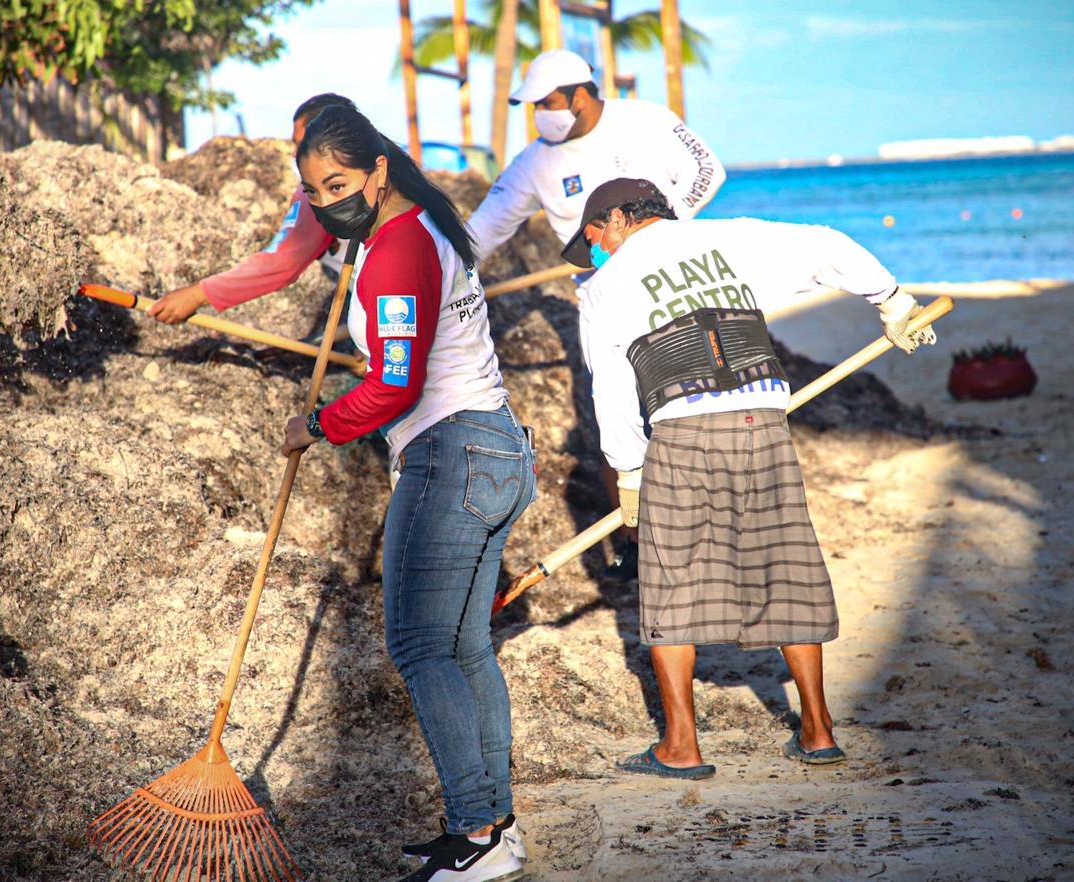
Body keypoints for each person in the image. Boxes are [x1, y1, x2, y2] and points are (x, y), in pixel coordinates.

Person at [561, 178, 935, 778]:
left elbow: (612, 392)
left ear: (619, 218)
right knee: (785, 564)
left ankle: (681, 746)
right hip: (764, 423)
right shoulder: (732, 238)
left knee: (671, 581)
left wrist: (629, 471)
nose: (594, 250)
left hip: (681, 431)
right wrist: (892, 301)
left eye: (593, 236)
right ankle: (817, 730)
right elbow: (830, 245)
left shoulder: (602, 289)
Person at [280, 106, 535, 882]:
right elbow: (409, 357)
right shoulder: (424, 226)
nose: (327, 202)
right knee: (464, 649)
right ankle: (493, 828)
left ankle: (479, 833)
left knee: (421, 647)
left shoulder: (394, 253)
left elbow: (398, 384)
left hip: (449, 457)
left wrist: (318, 425)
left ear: (378, 171)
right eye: (314, 190)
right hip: (496, 446)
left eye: (338, 184)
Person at [467, 48, 726, 583]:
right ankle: (636, 541)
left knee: (694, 415)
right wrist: (433, 266)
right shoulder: (535, 163)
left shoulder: (645, 120)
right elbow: (483, 231)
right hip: (603, 304)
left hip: (674, 289)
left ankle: (713, 534)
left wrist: (654, 228)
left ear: (580, 95)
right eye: (534, 105)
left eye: (548, 101)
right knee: (617, 423)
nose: (541, 113)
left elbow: (708, 170)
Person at [147, 93, 357, 325]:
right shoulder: (390, 165)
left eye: (300, 142)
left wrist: (196, 295)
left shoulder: (319, 191)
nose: (294, 153)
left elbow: (282, 262)